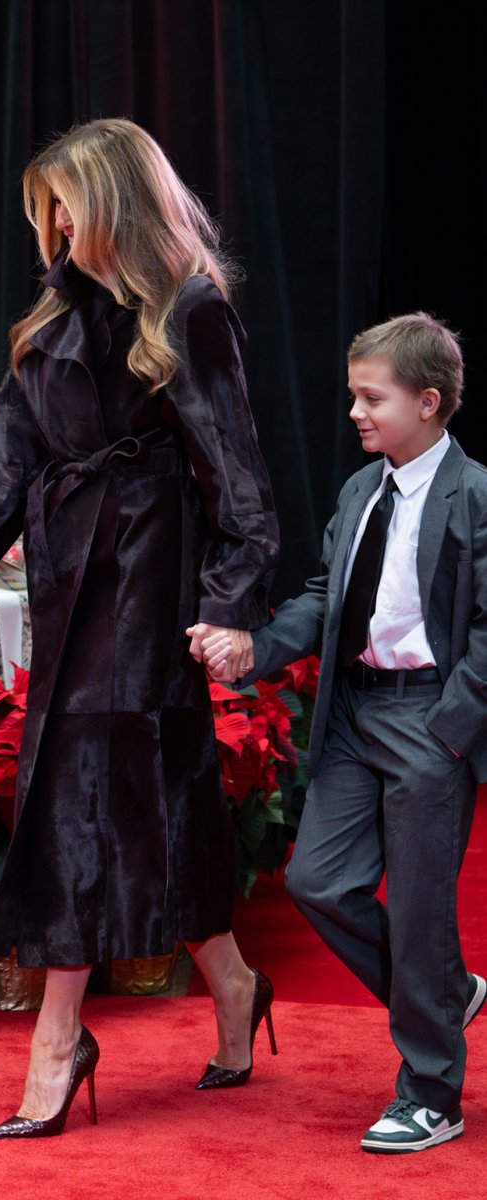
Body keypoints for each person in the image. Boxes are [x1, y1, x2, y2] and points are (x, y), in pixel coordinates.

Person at [0, 118, 279, 1138]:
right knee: (152, 795)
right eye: (43, 209)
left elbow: (238, 473)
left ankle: (57, 1036)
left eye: (67, 207)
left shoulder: (188, 307)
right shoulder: (56, 315)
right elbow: (1, 458)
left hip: (150, 582)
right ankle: (232, 981)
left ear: (115, 204)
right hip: (72, 578)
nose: (52, 227)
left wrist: (229, 603)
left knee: (85, 794)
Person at [200, 312, 487, 1154]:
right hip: (353, 714)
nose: (356, 412)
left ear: (428, 402)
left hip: (430, 717)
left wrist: (450, 728)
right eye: (354, 395)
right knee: (319, 880)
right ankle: (446, 992)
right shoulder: (362, 490)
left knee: (422, 911)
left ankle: (431, 1095)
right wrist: (253, 647)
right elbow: (328, 596)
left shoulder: (475, 496)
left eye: (373, 398)